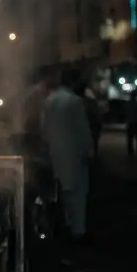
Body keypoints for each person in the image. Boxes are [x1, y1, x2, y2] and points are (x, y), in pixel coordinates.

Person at [42, 68, 94, 241]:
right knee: (78, 197)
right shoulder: (75, 101)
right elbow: (83, 131)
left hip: (55, 155)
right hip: (74, 155)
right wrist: (89, 152)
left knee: (61, 195)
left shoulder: (49, 101)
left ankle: (64, 229)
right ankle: (78, 233)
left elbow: (43, 130)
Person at [126, 87, 137, 157]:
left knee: (130, 138)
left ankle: (131, 151)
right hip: (136, 122)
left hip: (131, 122)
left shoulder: (128, 104)